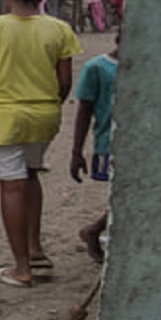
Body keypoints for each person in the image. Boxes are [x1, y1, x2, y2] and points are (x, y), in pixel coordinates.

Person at [0, 0, 82, 288]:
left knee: (12, 185)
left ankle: (21, 268)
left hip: (5, 115)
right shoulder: (60, 30)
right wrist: (49, 104)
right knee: (31, 176)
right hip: (44, 114)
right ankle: (35, 248)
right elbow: (64, 81)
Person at [69, 31, 119, 263]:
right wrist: (76, 151)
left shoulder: (146, 67)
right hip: (107, 142)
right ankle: (95, 229)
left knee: (121, 195)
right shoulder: (97, 68)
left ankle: (95, 229)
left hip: (130, 141)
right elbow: (85, 110)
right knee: (118, 195)